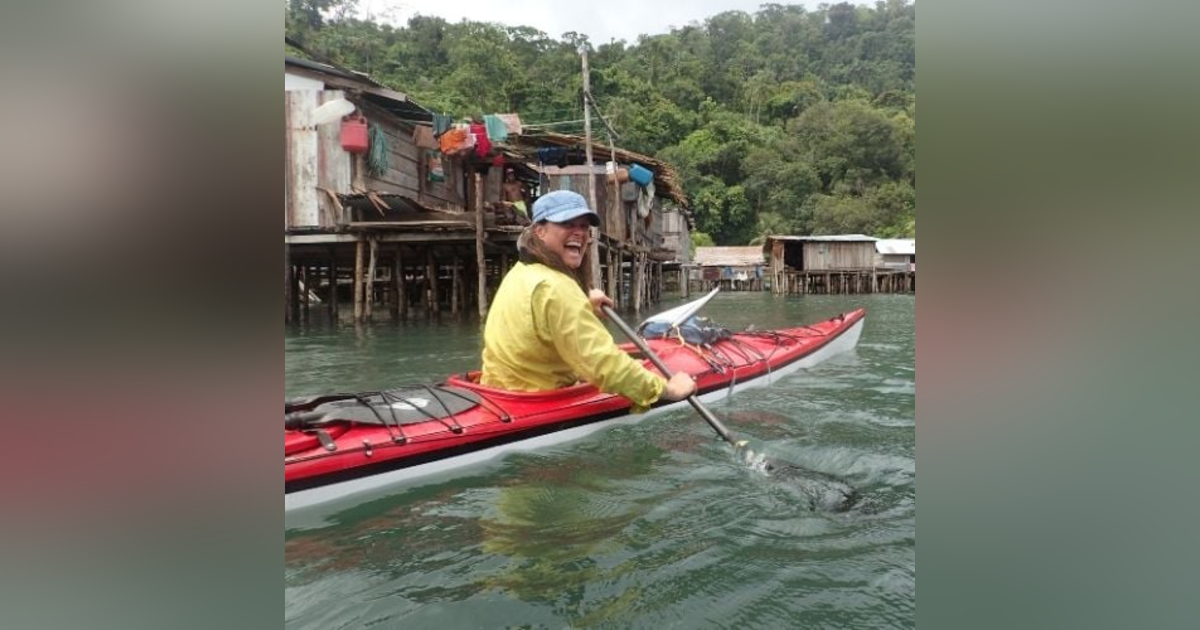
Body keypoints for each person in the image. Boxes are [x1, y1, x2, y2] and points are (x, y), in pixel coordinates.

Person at [481, 190, 695, 411]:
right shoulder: (557, 288)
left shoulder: (521, 272)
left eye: (584, 226)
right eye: (567, 224)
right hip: (535, 401)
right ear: (540, 231)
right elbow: (603, 364)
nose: (579, 233)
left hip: (500, 393)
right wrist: (666, 390)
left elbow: (544, 322)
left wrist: (583, 303)